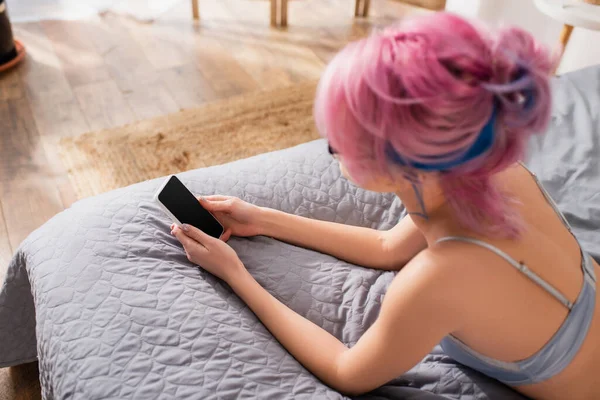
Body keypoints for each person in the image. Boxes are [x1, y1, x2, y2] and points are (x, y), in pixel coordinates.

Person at [171, 12, 600, 399]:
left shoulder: (440, 277)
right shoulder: (488, 170)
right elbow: (387, 248)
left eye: (342, 141)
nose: (332, 149)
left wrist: (235, 273)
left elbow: (347, 372)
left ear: (404, 163)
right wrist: (262, 219)